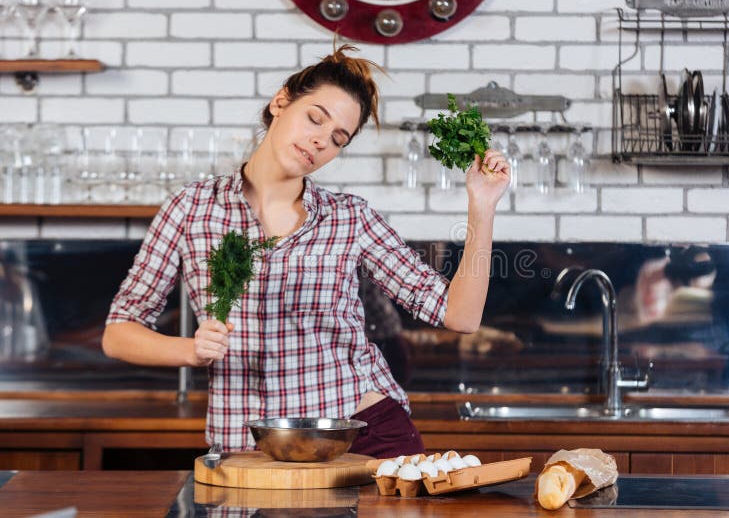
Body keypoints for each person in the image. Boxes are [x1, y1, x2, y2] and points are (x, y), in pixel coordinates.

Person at [102, 43, 510, 457]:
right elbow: (119, 333)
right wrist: (189, 350)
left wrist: (482, 204)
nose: (319, 141)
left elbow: (460, 315)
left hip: (361, 439)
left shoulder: (350, 218)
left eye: (337, 138)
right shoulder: (192, 208)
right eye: (314, 118)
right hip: (250, 452)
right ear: (281, 102)